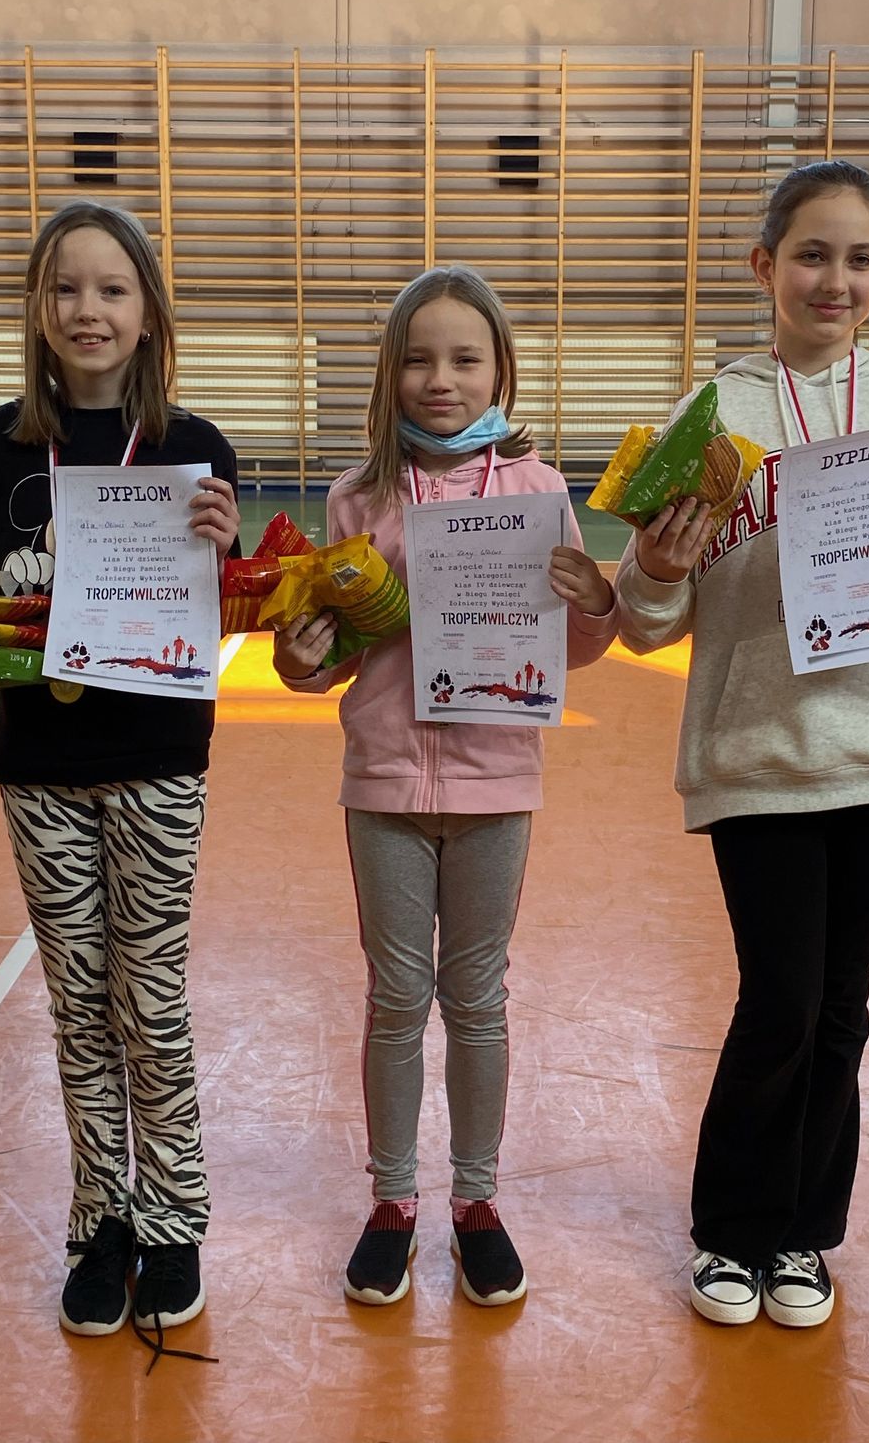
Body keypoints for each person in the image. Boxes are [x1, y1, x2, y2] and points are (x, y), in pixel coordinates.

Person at [614, 161, 869, 1329]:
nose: (837, 279)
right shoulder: (711, 416)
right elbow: (646, 618)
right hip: (758, 749)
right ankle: (731, 1231)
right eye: (813, 254)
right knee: (780, 999)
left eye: (861, 258)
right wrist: (658, 567)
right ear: (766, 266)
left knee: (842, 1006)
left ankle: (802, 1234)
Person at [274, 264, 618, 1308]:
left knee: (476, 999)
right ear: (389, 373)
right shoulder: (357, 495)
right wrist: (299, 657)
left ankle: (476, 1202)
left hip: (496, 785)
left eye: (465, 359)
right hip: (383, 783)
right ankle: (392, 1201)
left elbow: (580, 647)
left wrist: (594, 599)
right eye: (419, 359)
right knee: (395, 999)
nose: (441, 379)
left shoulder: (539, 491)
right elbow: (329, 655)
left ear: (499, 371)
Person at [0, 201, 240, 1362]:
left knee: (148, 998)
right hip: (38, 766)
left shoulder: (195, 449)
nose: (87, 309)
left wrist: (226, 549)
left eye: (112, 289)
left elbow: (228, 612)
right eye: (65, 287)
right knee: (76, 1000)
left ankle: (174, 1217)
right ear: (37, 306)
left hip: (157, 758)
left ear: (148, 312)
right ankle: (100, 1220)